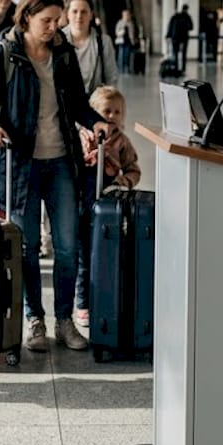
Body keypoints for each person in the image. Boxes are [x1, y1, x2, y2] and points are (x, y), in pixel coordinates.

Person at [0, 0, 109, 352]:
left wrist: (95, 121)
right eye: (47, 21)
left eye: (57, 20)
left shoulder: (63, 53)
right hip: (22, 166)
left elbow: (78, 103)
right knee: (27, 247)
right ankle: (35, 319)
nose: (54, 27)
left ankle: (64, 320)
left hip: (62, 161)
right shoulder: (5, 54)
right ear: (27, 17)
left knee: (67, 246)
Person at [73, 85, 141, 327]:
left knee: (104, 257)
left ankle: (104, 302)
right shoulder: (81, 137)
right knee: (84, 259)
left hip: (109, 208)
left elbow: (133, 169)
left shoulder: (122, 143)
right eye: (106, 111)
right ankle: (82, 304)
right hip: (83, 204)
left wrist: (124, 180)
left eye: (117, 112)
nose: (111, 116)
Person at [63, 0, 118, 95]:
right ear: (68, 14)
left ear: (91, 15)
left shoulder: (104, 42)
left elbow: (111, 77)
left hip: (94, 104)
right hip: (64, 106)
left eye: (84, 12)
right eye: (75, 11)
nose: (79, 16)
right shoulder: (57, 41)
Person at [166, 4, 194, 72]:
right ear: (187, 9)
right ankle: (183, 68)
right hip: (184, 37)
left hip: (175, 37)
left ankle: (176, 67)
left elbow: (170, 27)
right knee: (184, 53)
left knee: (175, 52)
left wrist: (168, 35)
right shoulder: (187, 17)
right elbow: (191, 27)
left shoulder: (175, 16)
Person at [114, 9, 135, 74]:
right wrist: (121, 32)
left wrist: (132, 40)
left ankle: (127, 67)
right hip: (121, 41)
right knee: (121, 55)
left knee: (127, 55)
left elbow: (132, 33)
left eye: (128, 15)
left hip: (128, 41)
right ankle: (120, 68)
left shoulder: (130, 23)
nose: (127, 16)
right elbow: (117, 32)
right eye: (126, 15)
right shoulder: (120, 23)